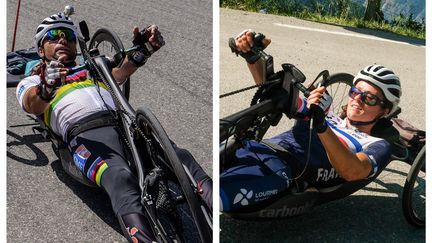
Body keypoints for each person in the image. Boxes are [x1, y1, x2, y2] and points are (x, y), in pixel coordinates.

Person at [16, 12, 212, 243]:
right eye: (53, 36)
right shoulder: (32, 82)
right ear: (40, 50)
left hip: (124, 124)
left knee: (181, 158)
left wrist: (146, 48)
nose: (62, 40)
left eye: (68, 35)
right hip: (85, 137)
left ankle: (218, 205)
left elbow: (121, 72)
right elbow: (31, 103)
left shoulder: (91, 68)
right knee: (120, 178)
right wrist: (47, 87)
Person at [220, 30, 402, 212]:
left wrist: (321, 125)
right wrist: (252, 57)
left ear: (385, 110)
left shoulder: (377, 144)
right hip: (256, 149)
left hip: (281, 172)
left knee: (211, 194)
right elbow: (278, 98)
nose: (357, 99)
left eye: (369, 98)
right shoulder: (329, 115)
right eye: (355, 91)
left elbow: (352, 170)